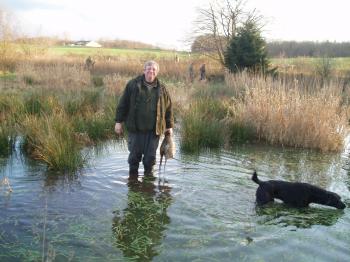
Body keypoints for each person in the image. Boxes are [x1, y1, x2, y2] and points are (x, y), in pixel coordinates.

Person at [114, 60, 174, 177]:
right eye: (148, 69)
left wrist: (169, 126)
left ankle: (148, 185)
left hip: (153, 132)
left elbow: (169, 108)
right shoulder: (132, 85)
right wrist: (118, 122)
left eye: (153, 69)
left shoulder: (162, 89)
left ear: (156, 73)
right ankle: (133, 183)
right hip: (135, 130)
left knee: (150, 160)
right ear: (144, 71)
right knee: (134, 159)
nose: (151, 71)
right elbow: (123, 104)